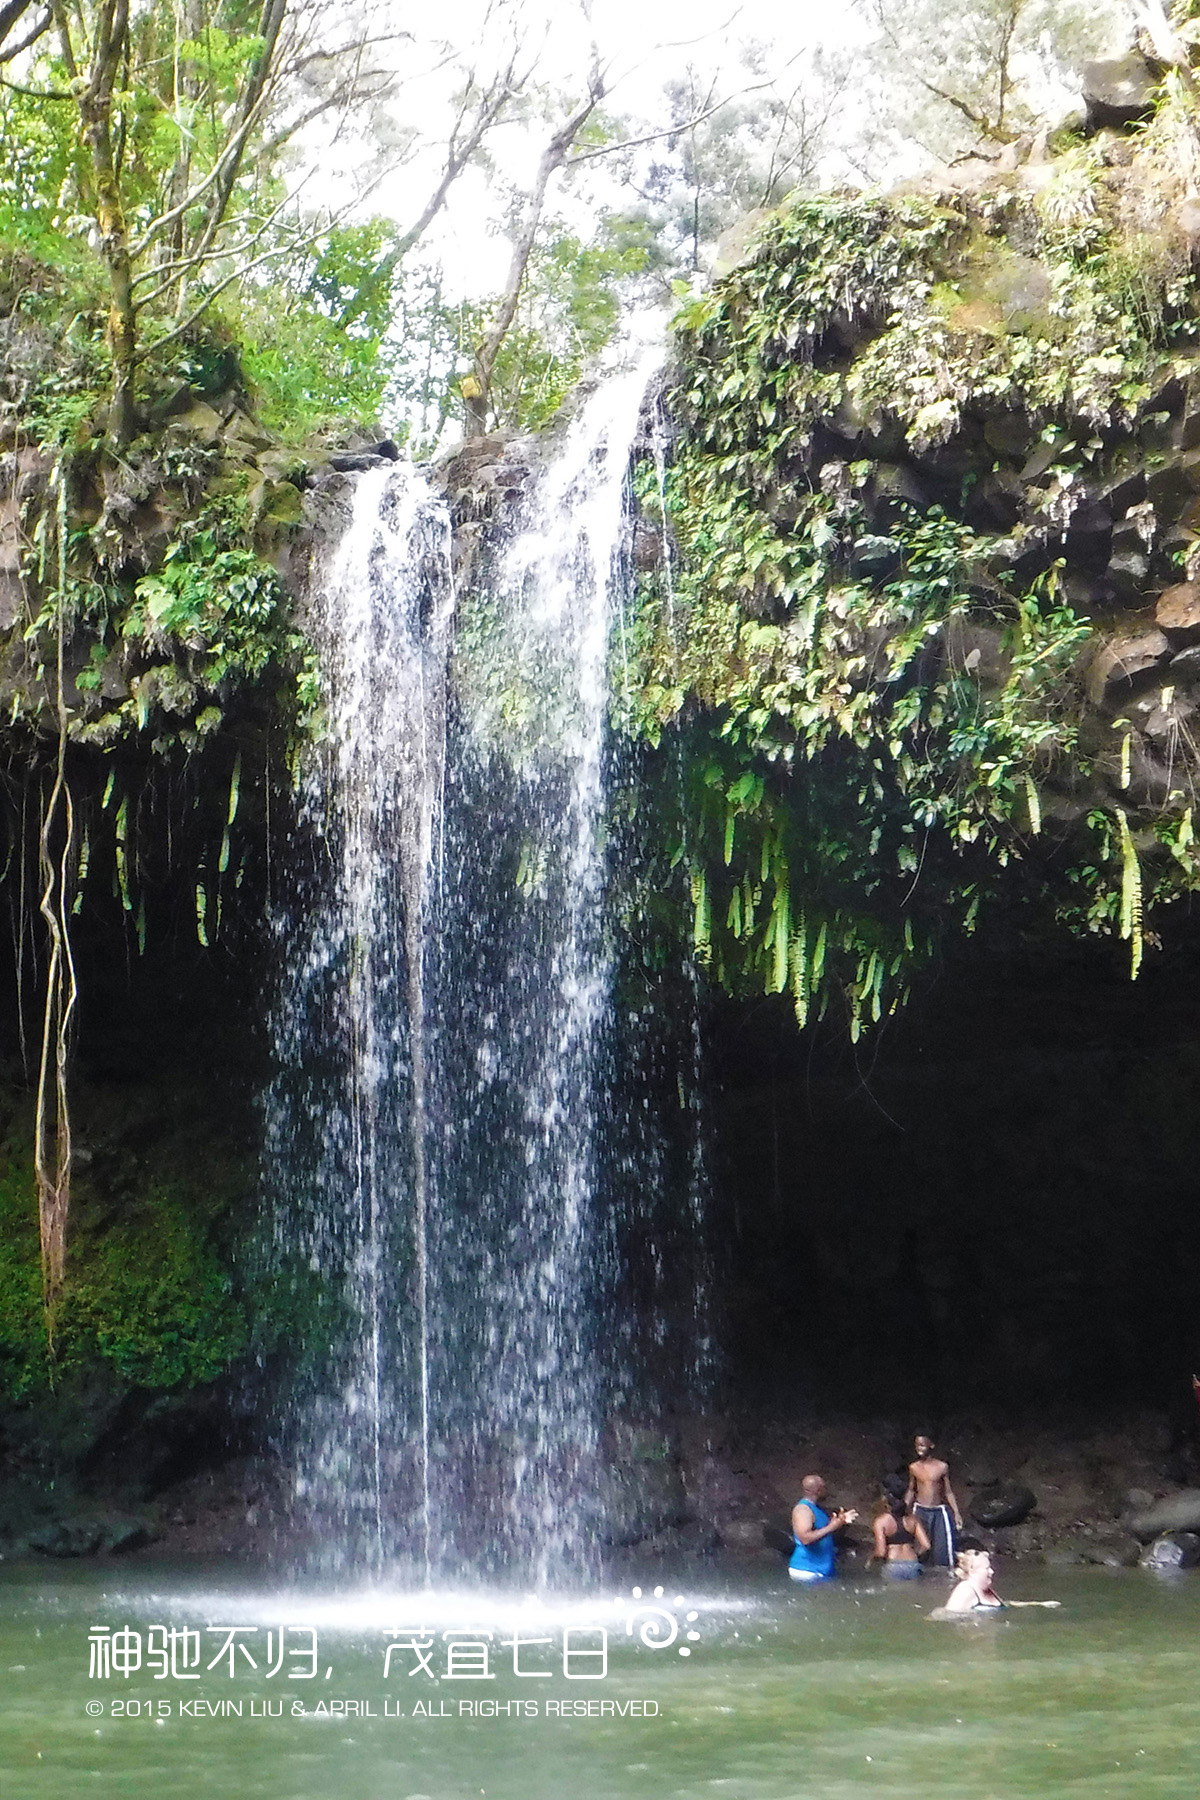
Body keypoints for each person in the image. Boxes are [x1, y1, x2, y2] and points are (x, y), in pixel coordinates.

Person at [936, 1548, 1062, 1616]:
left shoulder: (986, 1589)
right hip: (975, 1638)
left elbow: (1006, 1604)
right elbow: (946, 1614)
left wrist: (1039, 1604)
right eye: (986, 1569)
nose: (991, 1571)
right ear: (973, 1572)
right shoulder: (966, 1589)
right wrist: (972, 1614)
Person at [905, 1433, 962, 1568]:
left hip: (939, 1511)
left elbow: (948, 1491)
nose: (919, 1448)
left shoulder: (942, 1467)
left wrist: (956, 1512)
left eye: (922, 1445)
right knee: (920, 1550)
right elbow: (911, 1490)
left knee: (944, 1552)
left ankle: (944, 1582)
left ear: (931, 1445)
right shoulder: (914, 1467)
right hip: (920, 1510)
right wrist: (904, 1508)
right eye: (917, 1445)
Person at [789, 1474, 858, 1583]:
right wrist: (831, 1527)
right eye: (824, 1488)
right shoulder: (803, 1509)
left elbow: (823, 1533)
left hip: (819, 1570)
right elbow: (805, 1538)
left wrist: (840, 1521)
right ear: (818, 1491)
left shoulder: (816, 1509)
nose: (827, 1491)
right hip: (807, 1570)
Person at [871, 1477, 930, 1579]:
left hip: (893, 1565)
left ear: (886, 1499)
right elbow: (926, 1546)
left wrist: (871, 1559)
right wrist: (915, 1554)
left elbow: (881, 1552)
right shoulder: (913, 1520)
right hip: (913, 1564)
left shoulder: (880, 1522)